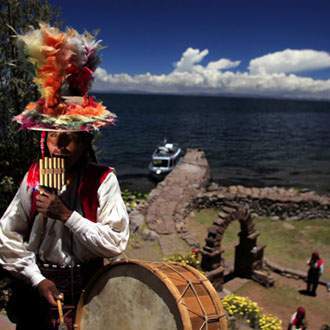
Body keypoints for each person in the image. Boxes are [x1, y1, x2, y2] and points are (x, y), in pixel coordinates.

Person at [0, 24, 129, 329]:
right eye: (51, 136)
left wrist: (66, 215)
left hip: (89, 291)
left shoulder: (103, 179)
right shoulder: (35, 175)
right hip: (38, 289)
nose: (57, 146)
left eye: (68, 137)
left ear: (85, 142)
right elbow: (6, 234)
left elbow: (115, 242)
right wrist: (36, 278)